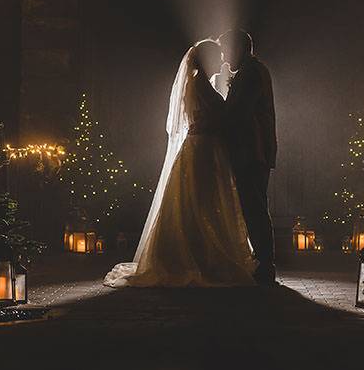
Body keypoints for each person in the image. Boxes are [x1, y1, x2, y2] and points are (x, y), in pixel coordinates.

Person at [103, 39, 255, 287]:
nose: (222, 60)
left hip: (203, 147)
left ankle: (198, 253)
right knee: (200, 202)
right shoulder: (199, 84)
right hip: (203, 148)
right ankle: (198, 257)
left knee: (200, 203)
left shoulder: (199, 83)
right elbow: (217, 117)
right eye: (217, 56)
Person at [218, 29, 278, 285]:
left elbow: (239, 113)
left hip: (252, 150)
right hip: (251, 150)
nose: (223, 56)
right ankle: (261, 262)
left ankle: (265, 264)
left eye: (225, 50)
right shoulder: (249, 71)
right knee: (252, 207)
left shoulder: (252, 72)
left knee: (254, 207)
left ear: (238, 48)